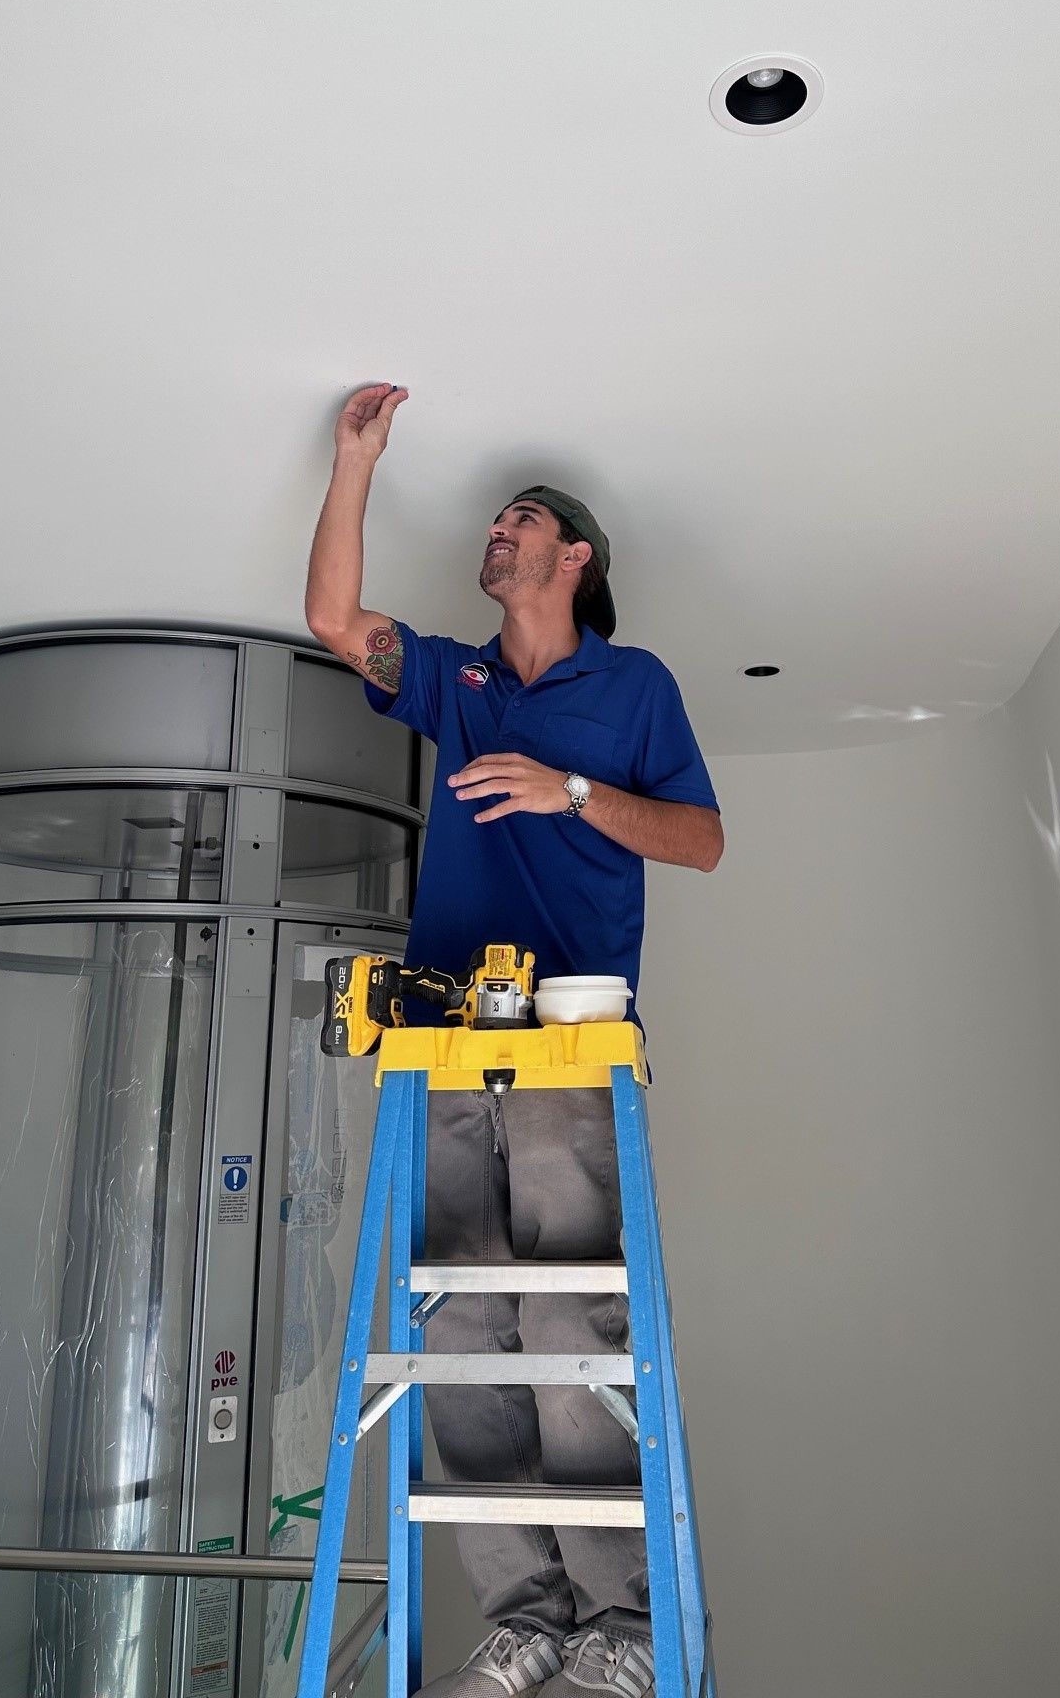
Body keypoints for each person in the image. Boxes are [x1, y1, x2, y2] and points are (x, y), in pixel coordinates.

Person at [304, 384, 723, 1698]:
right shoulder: (461, 678)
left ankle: (622, 1629)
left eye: (521, 519)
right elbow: (333, 622)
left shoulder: (631, 684)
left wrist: (574, 790)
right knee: (461, 1320)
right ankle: (526, 1617)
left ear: (575, 557)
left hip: (566, 1045)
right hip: (444, 1040)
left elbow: (702, 840)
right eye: (493, 520)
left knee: (564, 1312)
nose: (497, 531)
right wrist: (355, 463)